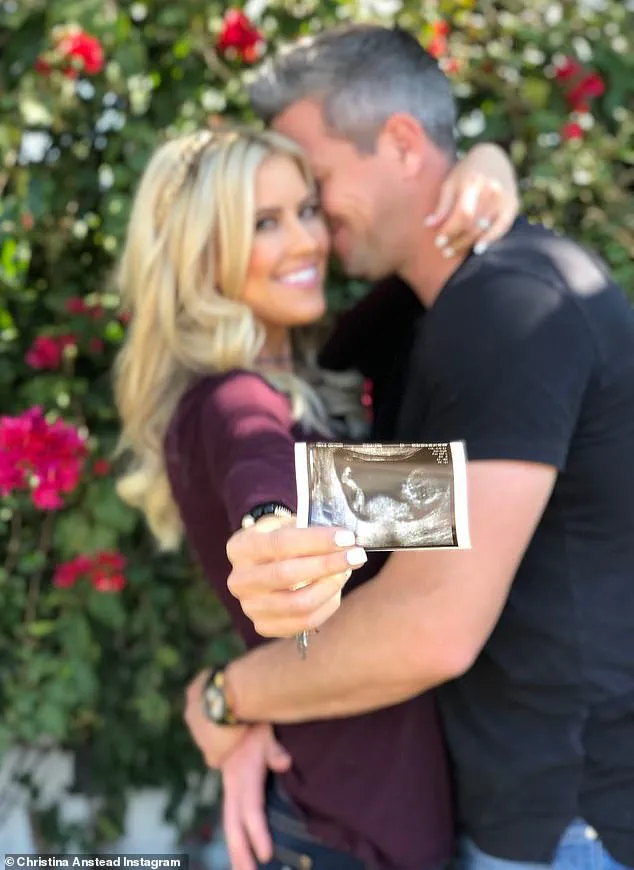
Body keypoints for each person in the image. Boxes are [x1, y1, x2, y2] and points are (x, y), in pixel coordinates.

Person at [185, 24, 634, 870]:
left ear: (399, 141)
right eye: (270, 217)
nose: (311, 229)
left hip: (569, 825)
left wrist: (226, 697)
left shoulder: (513, 308)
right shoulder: (421, 325)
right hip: (507, 813)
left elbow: (429, 626)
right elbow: (375, 515)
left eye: (314, 187)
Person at [113, 123, 520, 870]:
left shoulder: (314, 365)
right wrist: (271, 528)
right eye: (265, 223)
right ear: (200, 252)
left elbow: (424, 267)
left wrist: (487, 163)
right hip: (341, 833)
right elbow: (268, 471)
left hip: (351, 813)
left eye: (307, 210)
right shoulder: (229, 400)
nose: (307, 241)